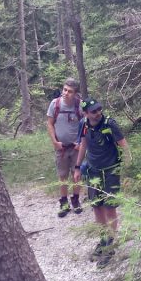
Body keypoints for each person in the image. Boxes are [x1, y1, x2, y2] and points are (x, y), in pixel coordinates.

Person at [73, 98, 130, 266]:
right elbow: (83, 145)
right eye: (93, 111)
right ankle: (103, 239)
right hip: (92, 171)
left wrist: (125, 171)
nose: (98, 113)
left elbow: (124, 146)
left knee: (109, 207)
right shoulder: (83, 124)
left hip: (111, 171)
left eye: (99, 109)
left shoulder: (109, 124)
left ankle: (110, 245)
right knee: (97, 206)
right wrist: (77, 167)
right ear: (85, 114)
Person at [46, 78, 84, 217]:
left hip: (76, 148)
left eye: (70, 91)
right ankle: (64, 203)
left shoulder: (80, 106)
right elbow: (49, 123)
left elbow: (85, 124)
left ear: (75, 93)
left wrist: (81, 143)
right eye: (65, 90)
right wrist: (55, 142)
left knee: (76, 175)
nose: (66, 93)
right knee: (62, 176)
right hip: (60, 148)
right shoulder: (55, 104)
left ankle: (75, 200)